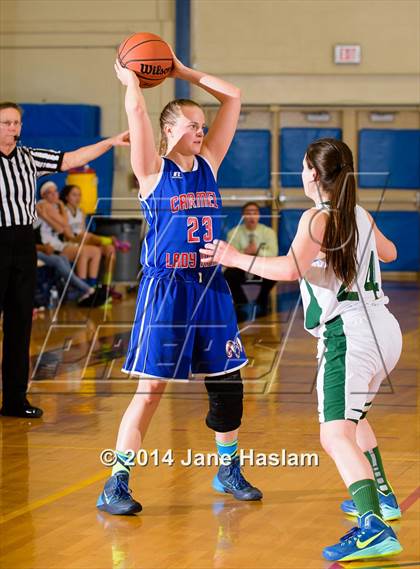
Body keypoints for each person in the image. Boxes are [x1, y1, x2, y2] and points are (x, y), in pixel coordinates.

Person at [200, 138, 403, 562]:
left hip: (349, 335)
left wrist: (236, 257)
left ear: (312, 173)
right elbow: (390, 252)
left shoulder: (316, 218)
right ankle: (382, 499)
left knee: (334, 433)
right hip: (385, 330)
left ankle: (372, 527)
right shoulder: (358, 214)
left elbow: (288, 269)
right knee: (356, 418)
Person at [96, 50, 262, 515]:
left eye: (203, 126)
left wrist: (181, 72)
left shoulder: (209, 161)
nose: (201, 132)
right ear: (169, 130)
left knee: (227, 383)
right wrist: (133, 81)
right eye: (192, 125)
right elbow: (136, 112)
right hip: (166, 289)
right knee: (150, 391)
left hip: (209, 285)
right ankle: (116, 481)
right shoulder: (152, 171)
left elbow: (234, 96)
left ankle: (227, 468)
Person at [0, 101, 129, 418]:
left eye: (16, 123)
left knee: (20, 324)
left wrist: (110, 143)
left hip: (23, 244)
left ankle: (15, 400)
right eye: (6, 123)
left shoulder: (29, 158)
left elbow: (71, 159)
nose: (13, 128)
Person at [60, 183, 131, 300]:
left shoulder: (81, 212)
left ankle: (106, 289)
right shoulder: (64, 211)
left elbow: (83, 231)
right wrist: (85, 237)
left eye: (79, 195)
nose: (77, 198)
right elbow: (68, 236)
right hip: (71, 243)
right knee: (87, 237)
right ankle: (111, 241)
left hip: (83, 240)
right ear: (66, 196)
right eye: (74, 195)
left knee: (110, 250)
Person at [224, 201, 278, 320]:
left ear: (259, 215)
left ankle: (262, 299)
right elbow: (230, 256)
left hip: (261, 268)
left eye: (255, 213)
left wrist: (257, 252)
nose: (252, 216)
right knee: (228, 274)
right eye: (248, 213)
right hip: (242, 268)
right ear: (243, 216)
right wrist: (245, 253)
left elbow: (273, 254)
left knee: (275, 273)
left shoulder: (269, 232)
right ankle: (239, 301)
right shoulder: (233, 233)